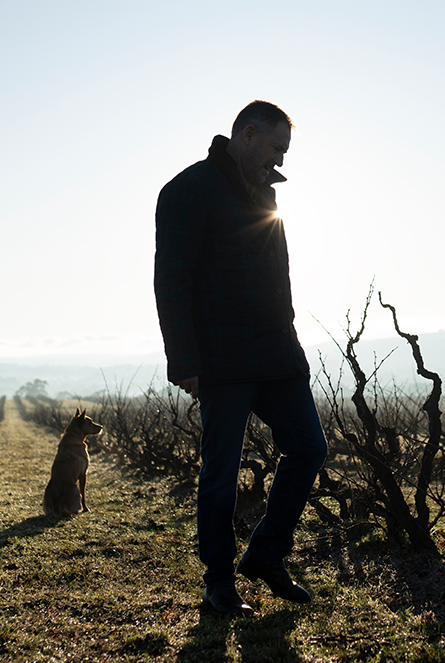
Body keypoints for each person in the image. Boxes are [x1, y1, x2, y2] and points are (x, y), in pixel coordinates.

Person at [154, 100, 328, 614]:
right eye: (276, 147)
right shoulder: (187, 190)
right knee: (221, 472)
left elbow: (281, 278)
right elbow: (172, 281)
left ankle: (266, 556)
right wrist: (184, 360)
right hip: (221, 358)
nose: (280, 159)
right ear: (248, 134)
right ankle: (218, 583)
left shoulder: (267, 194)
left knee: (309, 448)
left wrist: (291, 338)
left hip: (277, 354)